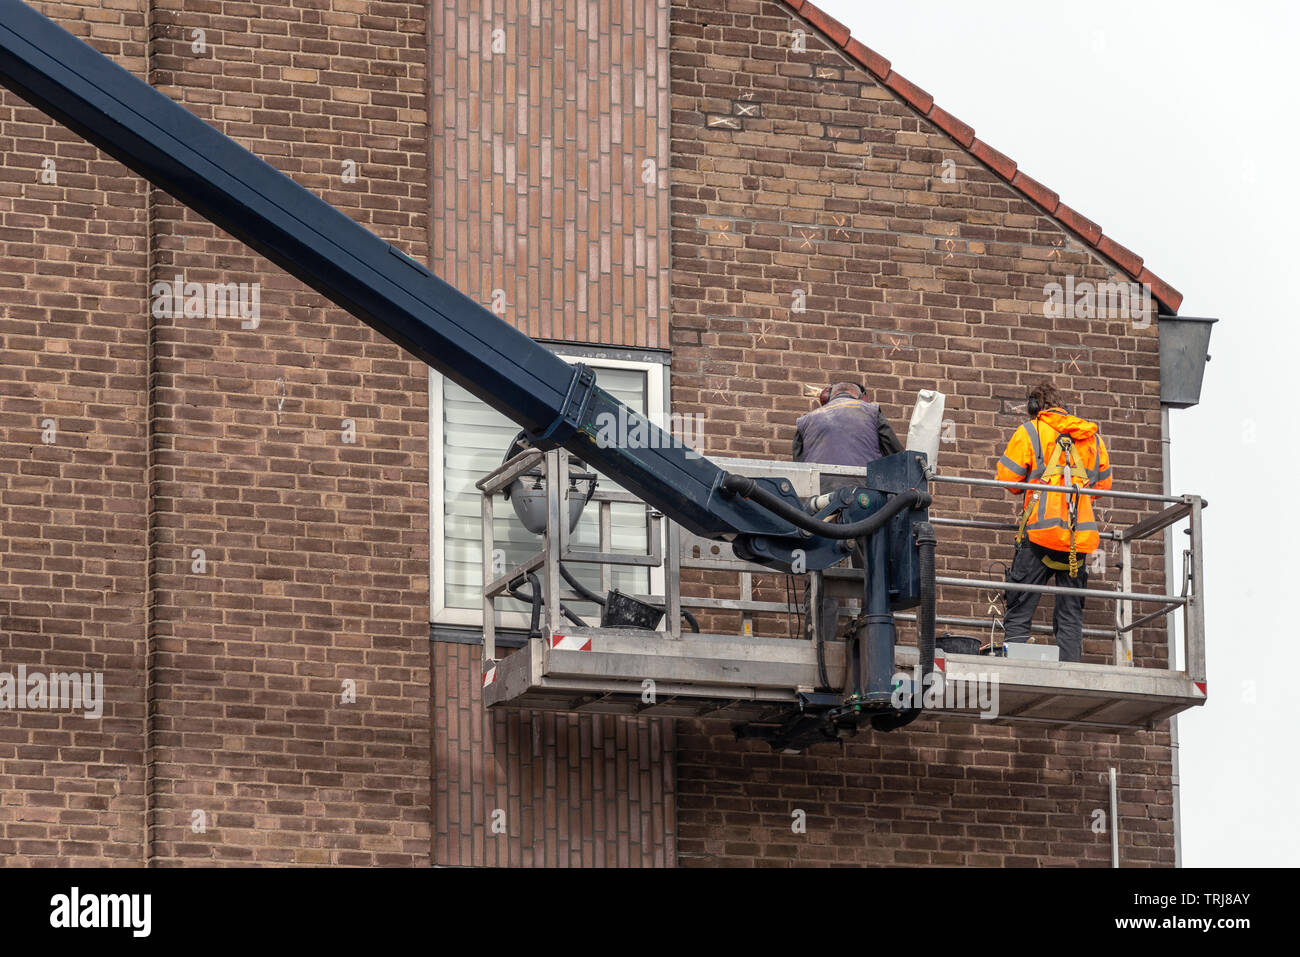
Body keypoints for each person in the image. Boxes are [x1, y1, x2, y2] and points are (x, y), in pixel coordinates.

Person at [994, 381, 1111, 662]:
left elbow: (1008, 479)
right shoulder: (1091, 437)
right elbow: (1102, 487)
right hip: (1075, 540)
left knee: (1019, 610)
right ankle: (1071, 672)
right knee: (1070, 614)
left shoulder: (1031, 431)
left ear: (1035, 406)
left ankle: (1015, 671)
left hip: (1039, 535)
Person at [793, 382, 902, 471]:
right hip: (863, 488)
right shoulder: (871, 411)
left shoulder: (805, 421)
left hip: (817, 489)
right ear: (862, 398)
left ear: (827, 397)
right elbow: (897, 455)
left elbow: (798, 466)